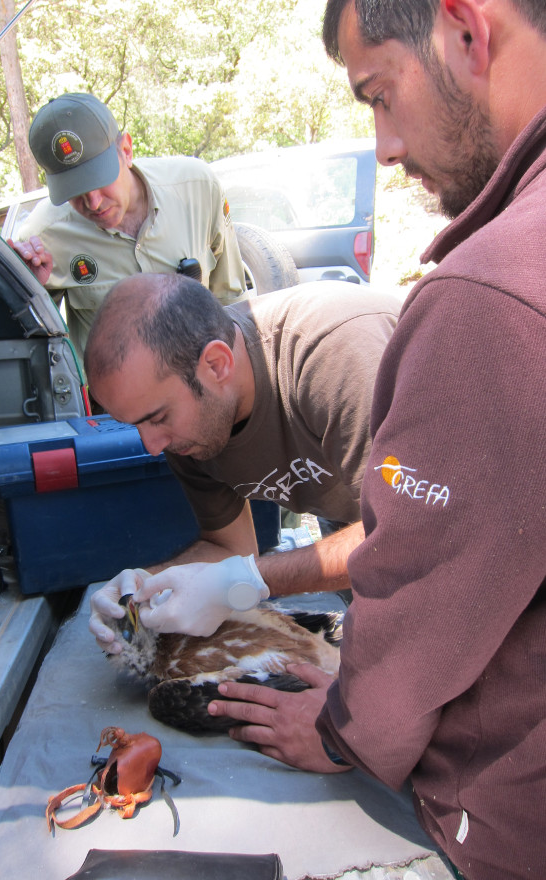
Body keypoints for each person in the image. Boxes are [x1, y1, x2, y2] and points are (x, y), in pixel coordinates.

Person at [205, 2, 546, 879]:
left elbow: (421, 581)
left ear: (465, 30)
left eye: (379, 93)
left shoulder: (490, 301)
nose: (385, 148)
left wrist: (344, 728)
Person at [84, 272, 400, 644]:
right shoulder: (188, 423)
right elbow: (231, 548)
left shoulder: (333, 356)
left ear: (217, 364)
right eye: (134, 425)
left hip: (454, 506)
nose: (152, 445)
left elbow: (406, 536)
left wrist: (244, 581)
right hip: (360, 513)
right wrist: (144, 586)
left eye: (157, 418)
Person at [10, 93, 248, 360]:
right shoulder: (44, 236)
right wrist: (31, 287)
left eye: (100, 180)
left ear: (126, 151)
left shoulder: (197, 189)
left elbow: (233, 301)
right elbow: (34, 344)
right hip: (112, 401)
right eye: (75, 191)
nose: (93, 202)